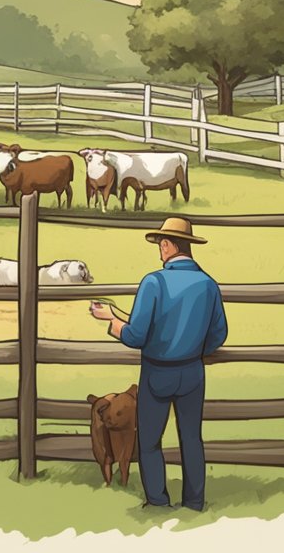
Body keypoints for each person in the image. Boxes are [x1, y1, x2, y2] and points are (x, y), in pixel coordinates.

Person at [89, 217, 227, 511]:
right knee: (191, 439)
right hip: (192, 370)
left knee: (150, 440)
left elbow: (137, 334)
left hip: (157, 371)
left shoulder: (154, 282)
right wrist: (195, 348)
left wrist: (112, 321)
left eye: (160, 245)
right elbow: (219, 333)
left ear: (167, 245)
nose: (159, 252)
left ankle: (157, 500)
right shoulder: (208, 284)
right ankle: (194, 501)